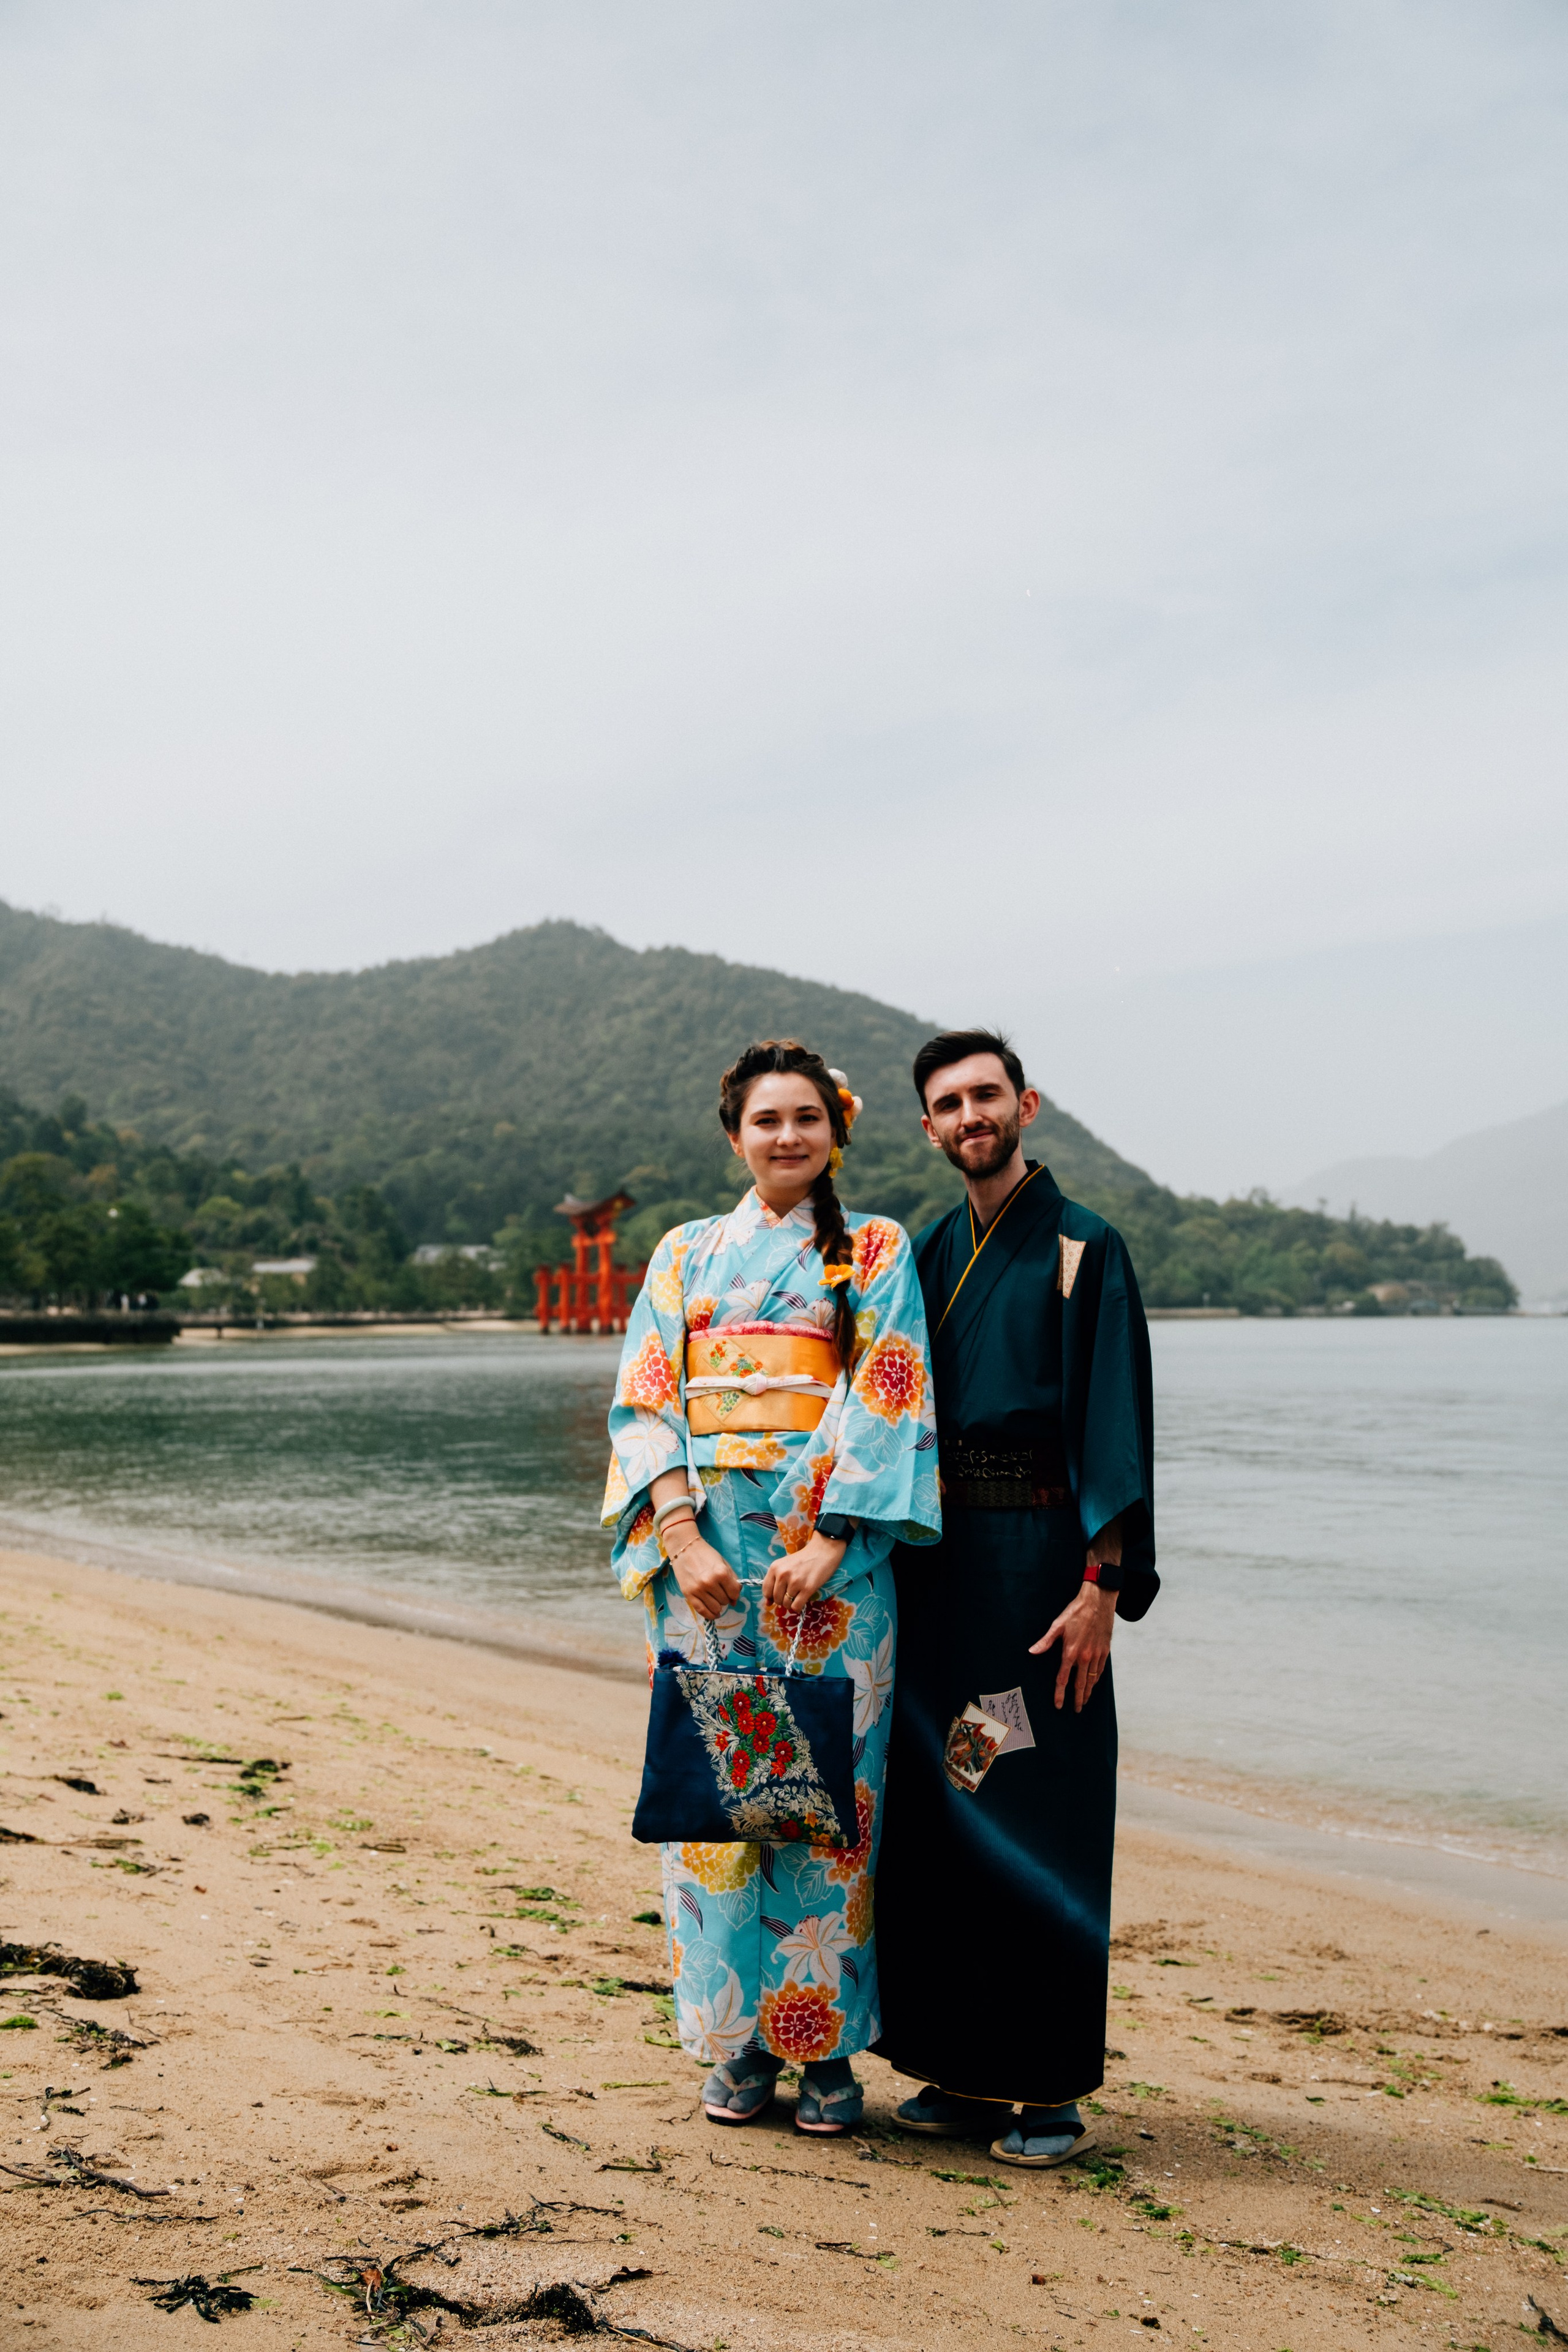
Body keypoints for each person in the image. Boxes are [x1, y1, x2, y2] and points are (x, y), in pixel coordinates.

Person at [603, 1039, 940, 2136]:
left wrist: (833, 1533)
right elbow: (647, 1399)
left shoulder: (872, 1250)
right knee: (720, 1806)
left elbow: (888, 1390)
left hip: (831, 1571)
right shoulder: (685, 1254)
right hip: (706, 1574)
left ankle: (828, 2052)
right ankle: (738, 2040)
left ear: (836, 1132)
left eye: (806, 1118)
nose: (785, 1136)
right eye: (765, 1120)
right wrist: (681, 1532)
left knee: (833, 1806)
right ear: (735, 1134)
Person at [871, 1028, 1156, 2168]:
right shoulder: (930, 1252)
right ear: (930, 1126)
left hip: (1043, 1572)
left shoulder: (1087, 1249)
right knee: (948, 1797)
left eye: (986, 1094)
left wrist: (1101, 1584)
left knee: (1037, 1792)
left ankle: (1046, 2087)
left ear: (1026, 1105)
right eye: (948, 1103)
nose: (969, 1115)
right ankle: (960, 2067)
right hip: (941, 1573)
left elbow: (1115, 1424)